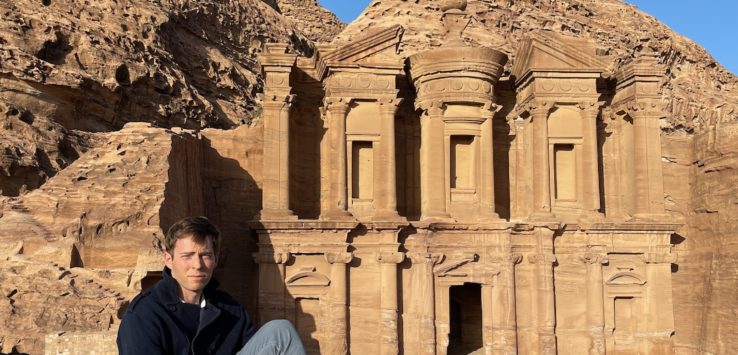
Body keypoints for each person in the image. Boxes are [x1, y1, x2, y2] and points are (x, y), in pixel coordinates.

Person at [117, 216, 305, 355]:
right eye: (187, 256)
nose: (197, 265)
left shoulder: (230, 309)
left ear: (216, 259)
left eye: (205, 255)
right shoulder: (144, 315)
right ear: (168, 259)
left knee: (281, 331)